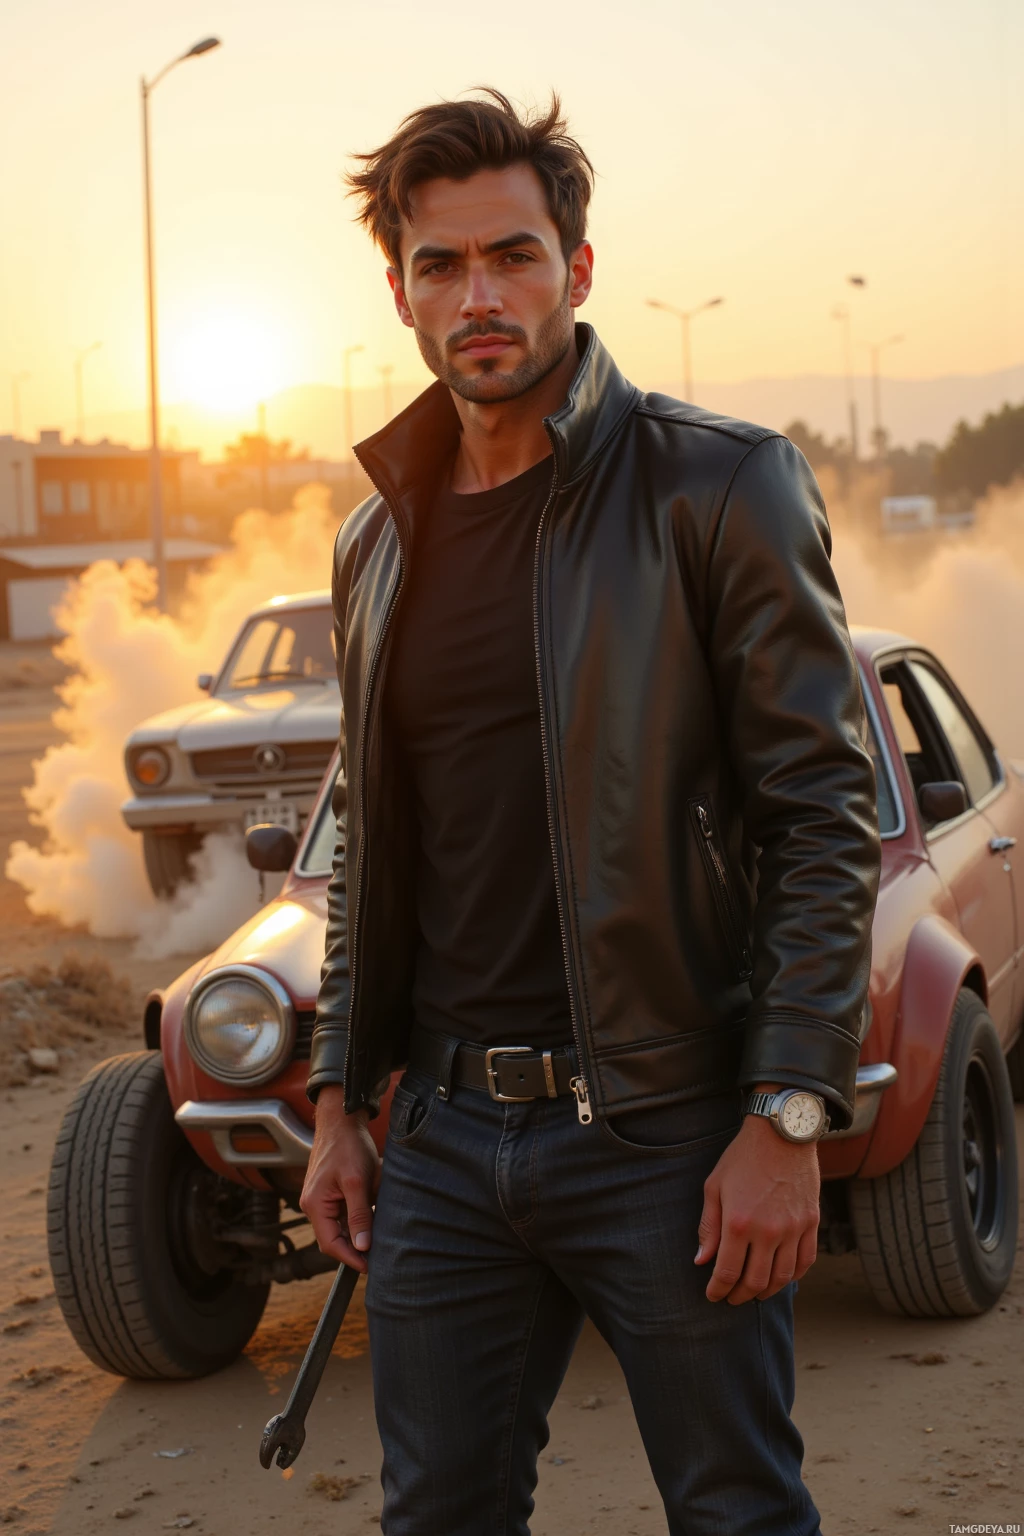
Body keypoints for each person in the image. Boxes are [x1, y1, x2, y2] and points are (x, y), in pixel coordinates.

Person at [301, 89, 880, 1536]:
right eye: (442, 266)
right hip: (435, 1141)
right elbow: (373, 843)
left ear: (580, 266)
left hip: (668, 1127)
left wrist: (787, 1113)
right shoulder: (376, 538)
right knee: (437, 1513)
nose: (479, 296)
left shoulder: (718, 484)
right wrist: (333, 1101)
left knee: (736, 1511)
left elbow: (822, 812)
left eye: (514, 255)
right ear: (399, 290)